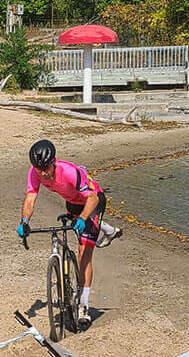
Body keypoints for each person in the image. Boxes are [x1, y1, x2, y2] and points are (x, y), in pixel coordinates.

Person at [17, 139, 122, 326]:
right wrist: (24, 221)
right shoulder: (35, 173)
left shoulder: (69, 171)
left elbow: (92, 198)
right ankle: (107, 230)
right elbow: (30, 198)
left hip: (93, 201)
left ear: (53, 162)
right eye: (38, 168)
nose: (42, 173)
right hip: (72, 202)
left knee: (84, 254)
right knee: (80, 230)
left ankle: (83, 306)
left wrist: (82, 219)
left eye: (45, 168)